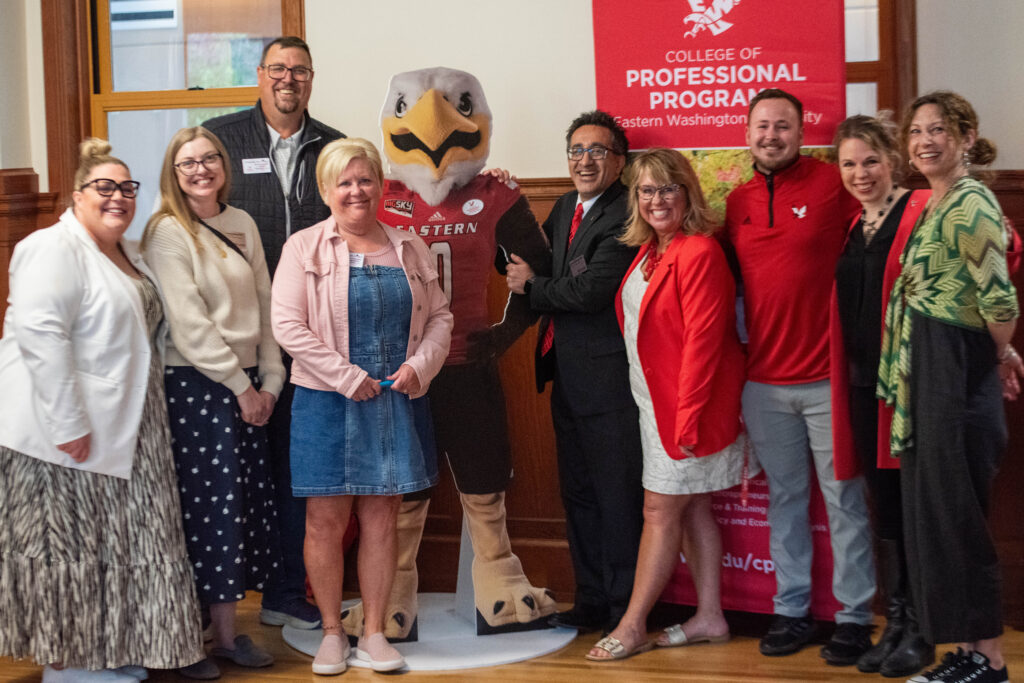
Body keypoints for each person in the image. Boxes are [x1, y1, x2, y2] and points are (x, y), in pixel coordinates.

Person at [0, 139, 204, 681]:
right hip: (62, 431)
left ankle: (108, 650)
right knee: (66, 547)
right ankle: (65, 664)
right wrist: (68, 424)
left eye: (127, 187)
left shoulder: (128, 251)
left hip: (130, 423)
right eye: (104, 187)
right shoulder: (51, 247)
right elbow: (41, 337)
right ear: (76, 195)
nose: (118, 197)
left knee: (119, 543)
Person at [271, 138, 452, 675]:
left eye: (365, 179)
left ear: (380, 186)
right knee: (324, 521)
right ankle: (332, 631)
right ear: (327, 190)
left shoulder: (409, 245)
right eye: (344, 182)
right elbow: (287, 327)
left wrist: (420, 365)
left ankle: (374, 632)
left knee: (382, 518)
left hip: (393, 398)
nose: (356, 190)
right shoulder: (303, 248)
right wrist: (347, 378)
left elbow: (440, 316)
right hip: (324, 401)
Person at [723, 88, 875, 662]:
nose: (772, 135)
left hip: (829, 378)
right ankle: (791, 611)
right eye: (762, 126)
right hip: (763, 383)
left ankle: (854, 618)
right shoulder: (735, 202)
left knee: (845, 500)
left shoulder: (834, 183)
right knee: (785, 501)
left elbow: (880, 230)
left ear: (801, 132)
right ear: (747, 134)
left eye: (782, 126)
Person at [877, 91, 1021, 683]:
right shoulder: (938, 201)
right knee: (938, 517)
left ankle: (989, 661)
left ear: (966, 138)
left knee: (957, 520)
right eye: (916, 132)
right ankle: (966, 652)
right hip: (932, 370)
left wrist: (998, 353)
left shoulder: (970, 203)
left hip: (953, 374)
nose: (924, 141)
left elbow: (999, 300)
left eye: (938, 129)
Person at [585, 149, 751, 661]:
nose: (657, 200)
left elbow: (705, 343)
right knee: (695, 506)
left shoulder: (699, 252)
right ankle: (711, 616)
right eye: (646, 190)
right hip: (652, 404)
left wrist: (687, 419)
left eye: (668, 188)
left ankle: (632, 625)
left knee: (659, 511)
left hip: (684, 410)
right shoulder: (651, 249)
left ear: (687, 193)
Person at [204, 35, 344, 630]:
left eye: (300, 70)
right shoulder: (221, 139)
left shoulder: (333, 146)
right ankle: (218, 603)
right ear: (260, 75)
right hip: (234, 336)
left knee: (294, 469)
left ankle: (286, 591)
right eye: (278, 69)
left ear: (311, 78)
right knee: (228, 473)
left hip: (309, 336)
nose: (289, 79)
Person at [141, 127, 284, 678]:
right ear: (173, 173)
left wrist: (269, 381)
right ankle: (189, 639)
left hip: (247, 385)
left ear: (223, 165)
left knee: (238, 507)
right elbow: (189, 324)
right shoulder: (166, 231)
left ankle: (225, 635)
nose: (200, 169)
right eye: (187, 163)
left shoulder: (241, 221)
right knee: (205, 511)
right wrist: (241, 387)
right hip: (196, 386)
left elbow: (266, 303)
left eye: (209, 159)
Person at [506, 110, 643, 634]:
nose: (585, 161)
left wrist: (531, 287)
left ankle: (625, 609)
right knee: (580, 497)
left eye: (597, 151)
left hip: (609, 385)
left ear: (620, 162)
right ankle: (590, 602)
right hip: (565, 378)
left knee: (617, 499)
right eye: (576, 151)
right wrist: (500, 200)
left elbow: (590, 291)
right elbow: (533, 261)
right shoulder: (566, 206)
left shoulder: (627, 211)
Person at [828, 114, 935, 676]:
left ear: (893, 159)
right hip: (862, 387)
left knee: (917, 507)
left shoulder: (923, 211)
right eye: (849, 163)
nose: (860, 173)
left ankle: (922, 627)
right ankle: (895, 622)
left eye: (870, 160)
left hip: (910, 390)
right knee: (887, 508)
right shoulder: (856, 224)